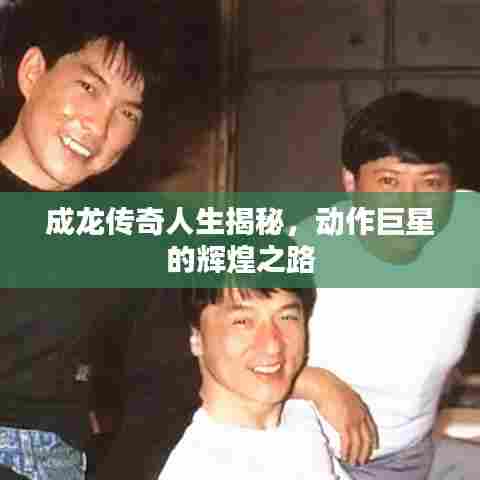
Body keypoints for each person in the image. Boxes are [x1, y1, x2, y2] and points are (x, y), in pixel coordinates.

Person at [0, 1, 220, 479]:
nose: (99, 126)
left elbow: (166, 389)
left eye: (127, 113)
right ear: (33, 72)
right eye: (88, 88)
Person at [295, 91, 480, 479]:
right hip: (311, 456)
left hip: (413, 455)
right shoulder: (304, 251)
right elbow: (223, 356)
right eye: (388, 181)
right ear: (351, 182)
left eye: (430, 183)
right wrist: (315, 383)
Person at [159, 287, 348, 480]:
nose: (273, 346)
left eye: (287, 317)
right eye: (242, 321)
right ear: (197, 337)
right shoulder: (194, 466)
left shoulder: (308, 414)